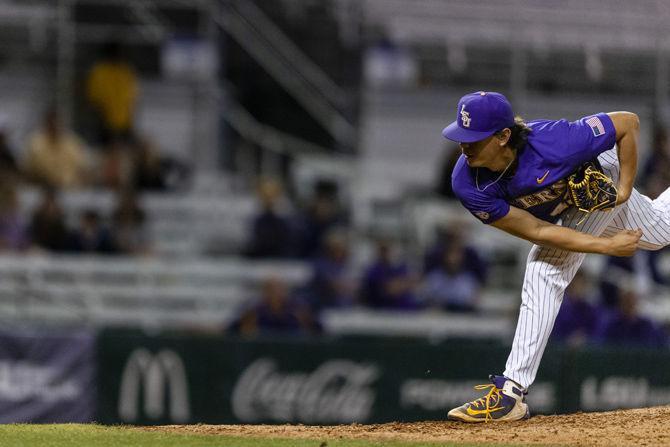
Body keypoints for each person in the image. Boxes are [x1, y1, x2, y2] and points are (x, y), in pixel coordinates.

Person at [442, 91, 654, 423]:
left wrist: (624, 189)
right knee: (660, 232)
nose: (463, 145)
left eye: (474, 138)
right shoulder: (467, 183)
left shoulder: (556, 140)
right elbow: (538, 231)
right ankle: (513, 393)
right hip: (572, 209)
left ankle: (511, 394)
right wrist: (606, 247)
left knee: (544, 269)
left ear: (503, 136)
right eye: (462, 136)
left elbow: (628, 122)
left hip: (602, 175)